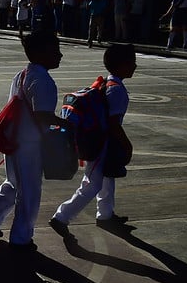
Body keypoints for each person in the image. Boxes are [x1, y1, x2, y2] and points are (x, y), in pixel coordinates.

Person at [0, 31, 68, 251]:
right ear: (41, 53)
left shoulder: (23, 74)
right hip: (28, 145)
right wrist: (68, 126)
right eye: (55, 51)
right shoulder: (43, 80)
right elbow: (43, 117)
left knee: (15, 183)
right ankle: (21, 239)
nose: (60, 55)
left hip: (14, 139)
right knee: (30, 192)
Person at [49, 44, 136, 237]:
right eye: (132, 62)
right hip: (100, 141)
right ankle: (61, 217)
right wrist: (126, 144)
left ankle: (105, 214)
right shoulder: (117, 90)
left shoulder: (107, 83)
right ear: (122, 65)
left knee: (106, 176)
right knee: (92, 183)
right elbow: (113, 123)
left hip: (96, 138)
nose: (135, 66)